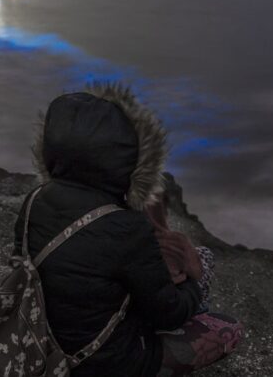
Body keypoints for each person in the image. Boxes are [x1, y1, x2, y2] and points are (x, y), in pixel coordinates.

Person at [12, 81, 243, 377]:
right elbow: (169, 314)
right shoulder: (126, 227)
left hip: (40, 341)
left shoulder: (34, 200)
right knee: (228, 325)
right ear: (133, 162)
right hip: (102, 362)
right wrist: (193, 280)